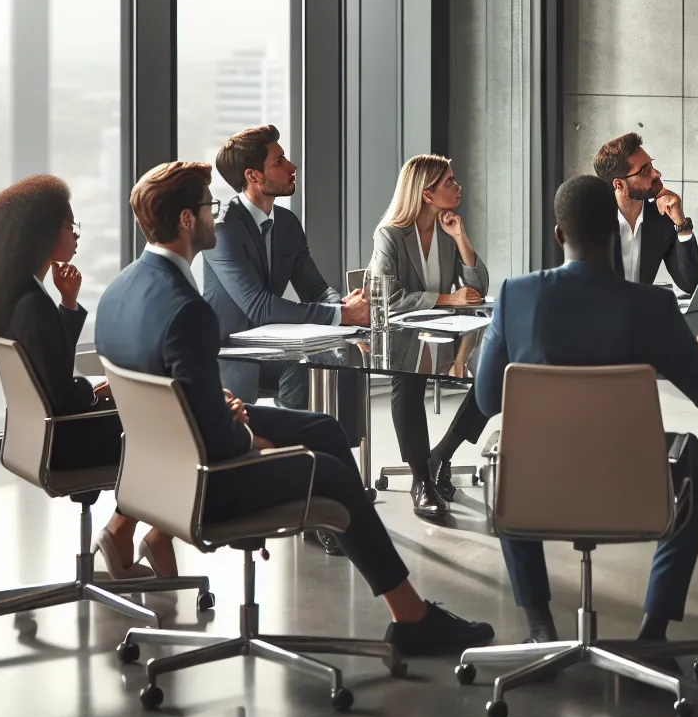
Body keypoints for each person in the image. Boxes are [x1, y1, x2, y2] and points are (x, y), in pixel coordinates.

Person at [94, 161, 494, 655]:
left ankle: (404, 603)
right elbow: (219, 441)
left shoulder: (120, 289)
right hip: (205, 476)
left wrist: (213, 405)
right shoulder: (188, 310)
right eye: (208, 208)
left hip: (157, 462)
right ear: (184, 221)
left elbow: (160, 391)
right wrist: (251, 439)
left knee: (323, 429)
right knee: (330, 473)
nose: (214, 218)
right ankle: (412, 616)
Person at [472, 175, 698, 645]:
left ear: (559, 235)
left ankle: (539, 624)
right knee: (691, 456)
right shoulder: (652, 305)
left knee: (506, 448)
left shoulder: (516, 295)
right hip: (633, 487)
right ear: (614, 233)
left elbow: (487, 400)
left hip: (537, 488)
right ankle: (652, 631)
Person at [0, 175, 178, 580]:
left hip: (38, 439)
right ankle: (129, 535)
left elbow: (49, 371)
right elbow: (62, 395)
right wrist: (98, 393)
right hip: (67, 443)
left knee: (148, 419)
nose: (75, 237)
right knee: (171, 432)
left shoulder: (17, 298)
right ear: (42, 233)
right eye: (69, 227)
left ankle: (124, 533)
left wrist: (69, 304)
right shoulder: (32, 306)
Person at [202, 125, 368, 410]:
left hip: (277, 348)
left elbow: (314, 287)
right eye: (279, 162)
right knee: (307, 369)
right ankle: (293, 442)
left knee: (338, 366)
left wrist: (340, 304)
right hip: (231, 355)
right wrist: (342, 314)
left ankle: (310, 444)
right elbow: (259, 306)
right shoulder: (223, 230)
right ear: (253, 176)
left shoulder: (287, 222)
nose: (292, 167)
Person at [367, 155, 491, 519]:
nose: (458, 186)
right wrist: (445, 298)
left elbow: (478, 287)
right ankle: (421, 479)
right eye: (450, 181)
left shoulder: (446, 229)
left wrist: (461, 236)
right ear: (426, 194)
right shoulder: (389, 234)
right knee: (407, 382)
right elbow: (385, 298)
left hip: (447, 333)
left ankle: (443, 453)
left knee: (492, 374)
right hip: (404, 335)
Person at [594, 132, 698, 292]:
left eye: (651, 166)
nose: (656, 174)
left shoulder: (661, 218)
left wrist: (681, 224)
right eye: (644, 171)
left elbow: (690, 284)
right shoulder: (595, 222)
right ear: (618, 184)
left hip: (641, 313)